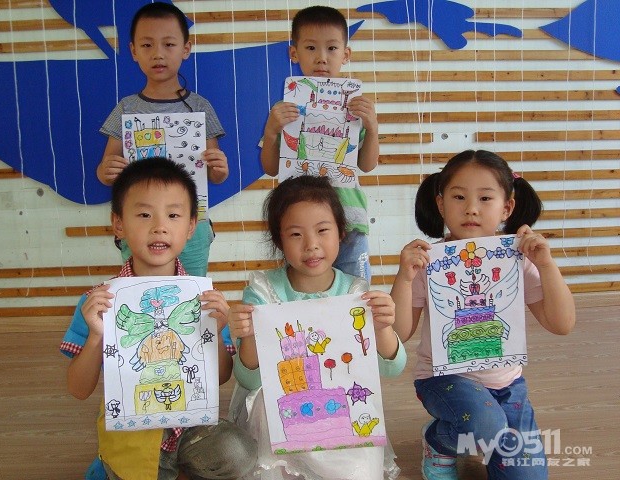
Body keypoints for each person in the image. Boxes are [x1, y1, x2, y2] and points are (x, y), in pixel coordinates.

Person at [60, 158, 256, 480]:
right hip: (132, 427)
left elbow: (221, 377)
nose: (159, 227)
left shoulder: (202, 300)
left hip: (190, 424)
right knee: (146, 470)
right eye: (144, 214)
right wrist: (96, 337)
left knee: (238, 453)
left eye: (173, 215)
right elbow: (78, 390)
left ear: (191, 227)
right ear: (118, 224)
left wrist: (216, 331)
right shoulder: (99, 302)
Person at [390, 150, 576, 480]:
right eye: (459, 197)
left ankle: (483, 436)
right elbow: (399, 333)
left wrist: (547, 265)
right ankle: (439, 441)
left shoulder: (519, 259)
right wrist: (404, 279)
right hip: (443, 379)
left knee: (527, 474)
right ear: (441, 204)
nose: (471, 208)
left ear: (507, 207)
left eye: (485, 198)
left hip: (508, 386)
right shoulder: (427, 262)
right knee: (484, 424)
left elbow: (562, 324)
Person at [228, 175, 406, 480]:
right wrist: (249, 336)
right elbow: (248, 378)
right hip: (282, 413)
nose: (311, 245)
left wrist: (383, 329)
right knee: (266, 406)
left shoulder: (356, 294)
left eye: (323, 230)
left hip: (340, 409)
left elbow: (392, 368)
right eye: (296, 234)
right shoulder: (262, 292)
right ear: (279, 240)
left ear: (341, 233)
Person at [96, 1, 228, 277]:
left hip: (190, 224)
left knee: (191, 291)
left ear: (186, 49)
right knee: (139, 289)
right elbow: (106, 171)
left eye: (168, 44)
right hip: (139, 224)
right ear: (133, 51)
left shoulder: (200, 107)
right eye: (147, 45)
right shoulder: (126, 108)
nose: (158, 54)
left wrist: (219, 168)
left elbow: (215, 176)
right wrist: (106, 170)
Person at [259, 6, 379, 283]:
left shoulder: (356, 107)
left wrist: (372, 127)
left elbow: (367, 165)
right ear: (294, 53)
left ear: (345, 54)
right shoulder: (286, 107)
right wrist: (271, 131)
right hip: (301, 223)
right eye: (311, 48)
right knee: (305, 291)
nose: (321, 58)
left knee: (357, 295)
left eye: (332, 48)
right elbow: (271, 167)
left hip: (350, 219)